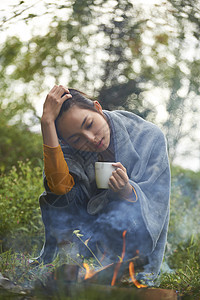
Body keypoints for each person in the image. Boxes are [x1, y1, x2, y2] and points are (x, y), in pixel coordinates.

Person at [37, 85, 171, 284]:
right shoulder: (68, 149)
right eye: (76, 139)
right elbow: (59, 192)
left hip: (130, 246)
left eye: (89, 124)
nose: (91, 139)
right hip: (85, 244)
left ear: (98, 108)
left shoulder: (148, 137)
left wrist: (128, 192)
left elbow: (157, 201)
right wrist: (47, 123)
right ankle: (70, 265)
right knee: (61, 193)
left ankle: (126, 274)